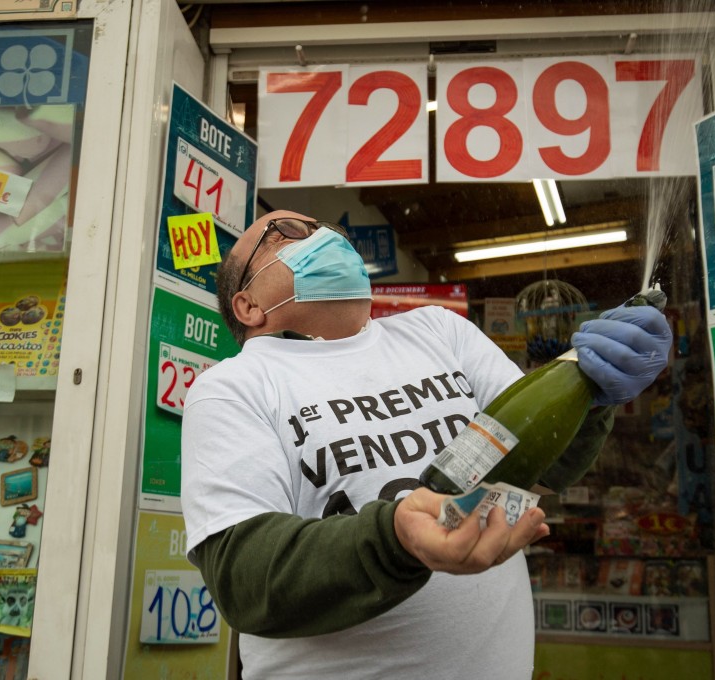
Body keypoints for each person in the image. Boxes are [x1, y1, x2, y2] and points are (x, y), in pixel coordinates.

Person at [181, 210, 672, 679]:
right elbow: (243, 576)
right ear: (247, 304)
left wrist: (593, 393)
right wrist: (395, 538)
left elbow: (542, 469)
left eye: (323, 227)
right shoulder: (233, 386)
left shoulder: (437, 330)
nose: (321, 235)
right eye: (286, 230)